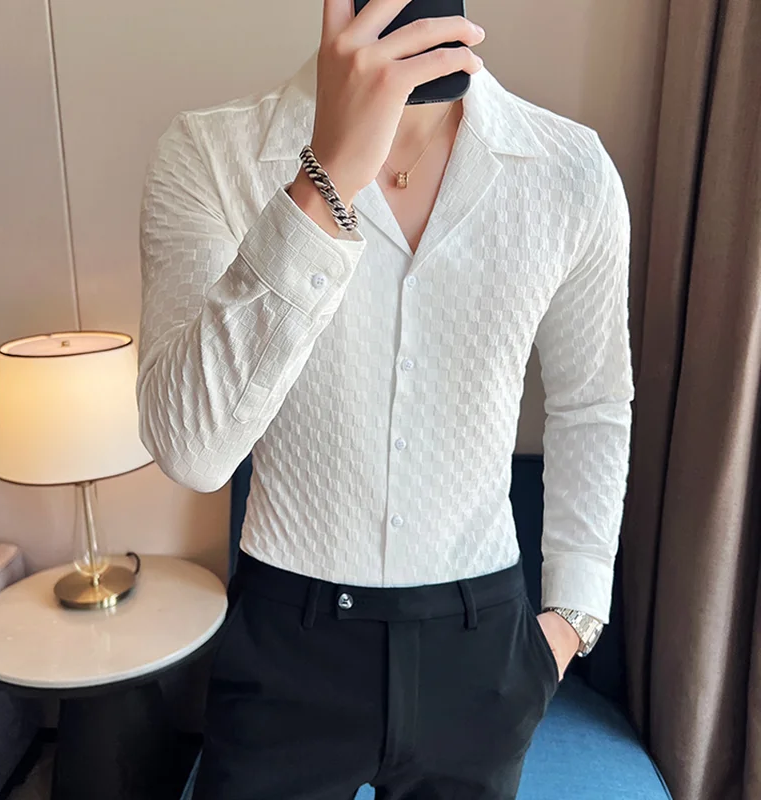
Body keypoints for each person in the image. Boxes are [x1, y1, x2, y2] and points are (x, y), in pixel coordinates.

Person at [136, 0, 635, 797]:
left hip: (482, 649)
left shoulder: (567, 169)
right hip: (285, 645)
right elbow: (192, 451)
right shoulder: (213, 154)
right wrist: (324, 181)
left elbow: (593, 402)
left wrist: (574, 616)